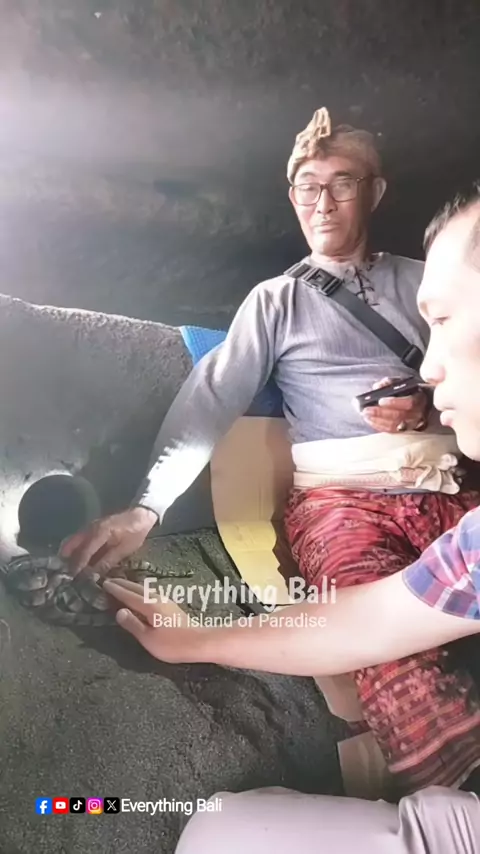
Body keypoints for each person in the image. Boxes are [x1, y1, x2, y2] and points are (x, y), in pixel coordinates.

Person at [60, 109, 480, 795]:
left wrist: (424, 407)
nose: (323, 202)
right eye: (308, 186)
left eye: (342, 183)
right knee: (385, 649)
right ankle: (457, 793)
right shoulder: (276, 301)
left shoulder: (429, 280)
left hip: (451, 484)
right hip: (345, 503)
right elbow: (211, 398)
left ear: (374, 192)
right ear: (292, 198)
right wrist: (146, 508)